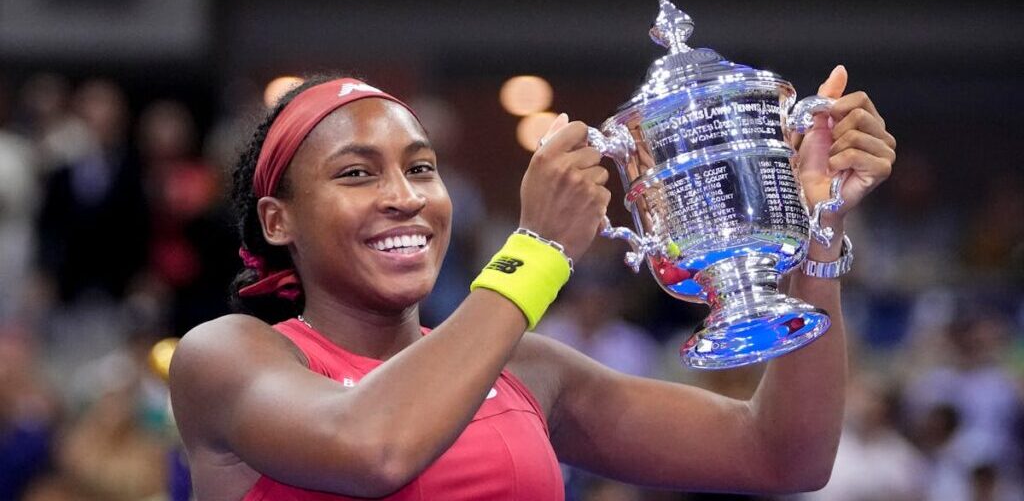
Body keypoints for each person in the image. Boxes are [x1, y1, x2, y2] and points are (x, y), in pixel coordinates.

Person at [169, 66, 896, 500]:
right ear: (277, 220)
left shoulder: (526, 370)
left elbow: (783, 456)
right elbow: (374, 450)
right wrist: (538, 249)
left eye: (421, 168)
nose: (405, 195)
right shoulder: (227, 356)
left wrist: (815, 228)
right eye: (357, 173)